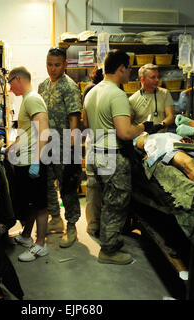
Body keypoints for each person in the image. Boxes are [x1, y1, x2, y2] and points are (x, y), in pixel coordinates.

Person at [83, 50, 153, 264]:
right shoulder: (117, 94)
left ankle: (108, 238)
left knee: (106, 200)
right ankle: (110, 250)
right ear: (121, 68)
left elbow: (87, 124)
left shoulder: (92, 92)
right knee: (116, 204)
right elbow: (124, 133)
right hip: (111, 155)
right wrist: (143, 126)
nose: (129, 72)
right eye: (129, 68)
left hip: (95, 152)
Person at [38, 47, 82, 248]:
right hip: (47, 144)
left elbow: (75, 119)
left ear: (64, 64)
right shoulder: (43, 86)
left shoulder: (69, 87)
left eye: (56, 65)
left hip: (65, 145)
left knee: (68, 188)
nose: (52, 69)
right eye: (49, 64)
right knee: (47, 184)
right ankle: (55, 219)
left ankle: (71, 226)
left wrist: (73, 150)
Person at [6, 66, 50, 262]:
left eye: (9, 82)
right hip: (26, 160)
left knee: (39, 204)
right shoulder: (27, 100)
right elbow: (28, 131)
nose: (9, 87)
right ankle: (26, 236)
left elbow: (43, 132)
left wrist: (37, 162)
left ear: (17, 79)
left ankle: (41, 245)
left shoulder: (32, 99)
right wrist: (13, 147)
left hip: (34, 160)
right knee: (32, 202)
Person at [82, 66, 104, 237]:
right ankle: (97, 224)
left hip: (94, 140)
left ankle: (94, 224)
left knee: (94, 185)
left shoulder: (89, 89)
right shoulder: (93, 89)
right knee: (99, 185)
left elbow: (85, 121)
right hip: (103, 141)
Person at [129, 63, 175, 133]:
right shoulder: (133, 99)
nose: (157, 80)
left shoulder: (165, 93)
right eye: (153, 77)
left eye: (157, 77)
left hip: (161, 138)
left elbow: (171, 116)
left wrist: (160, 126)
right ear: (143, 80)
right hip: (142, 140)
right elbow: (128, 125)